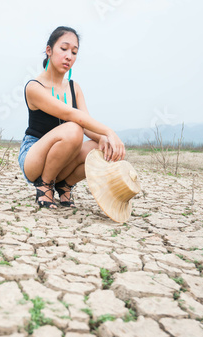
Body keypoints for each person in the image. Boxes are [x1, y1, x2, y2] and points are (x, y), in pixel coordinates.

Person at [18, 26, 126, 209]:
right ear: (49, 50)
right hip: (34, 155)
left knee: (100, 146)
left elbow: (89, 128)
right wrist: (109, 131)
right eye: (64, 49)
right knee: (74, 128)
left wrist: (110, 142)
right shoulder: (34, 87)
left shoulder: (74, 88)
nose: (69, 56)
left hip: (62, 159)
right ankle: (44, 185)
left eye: (74, 52)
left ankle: (64, 185)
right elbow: (72, 115)